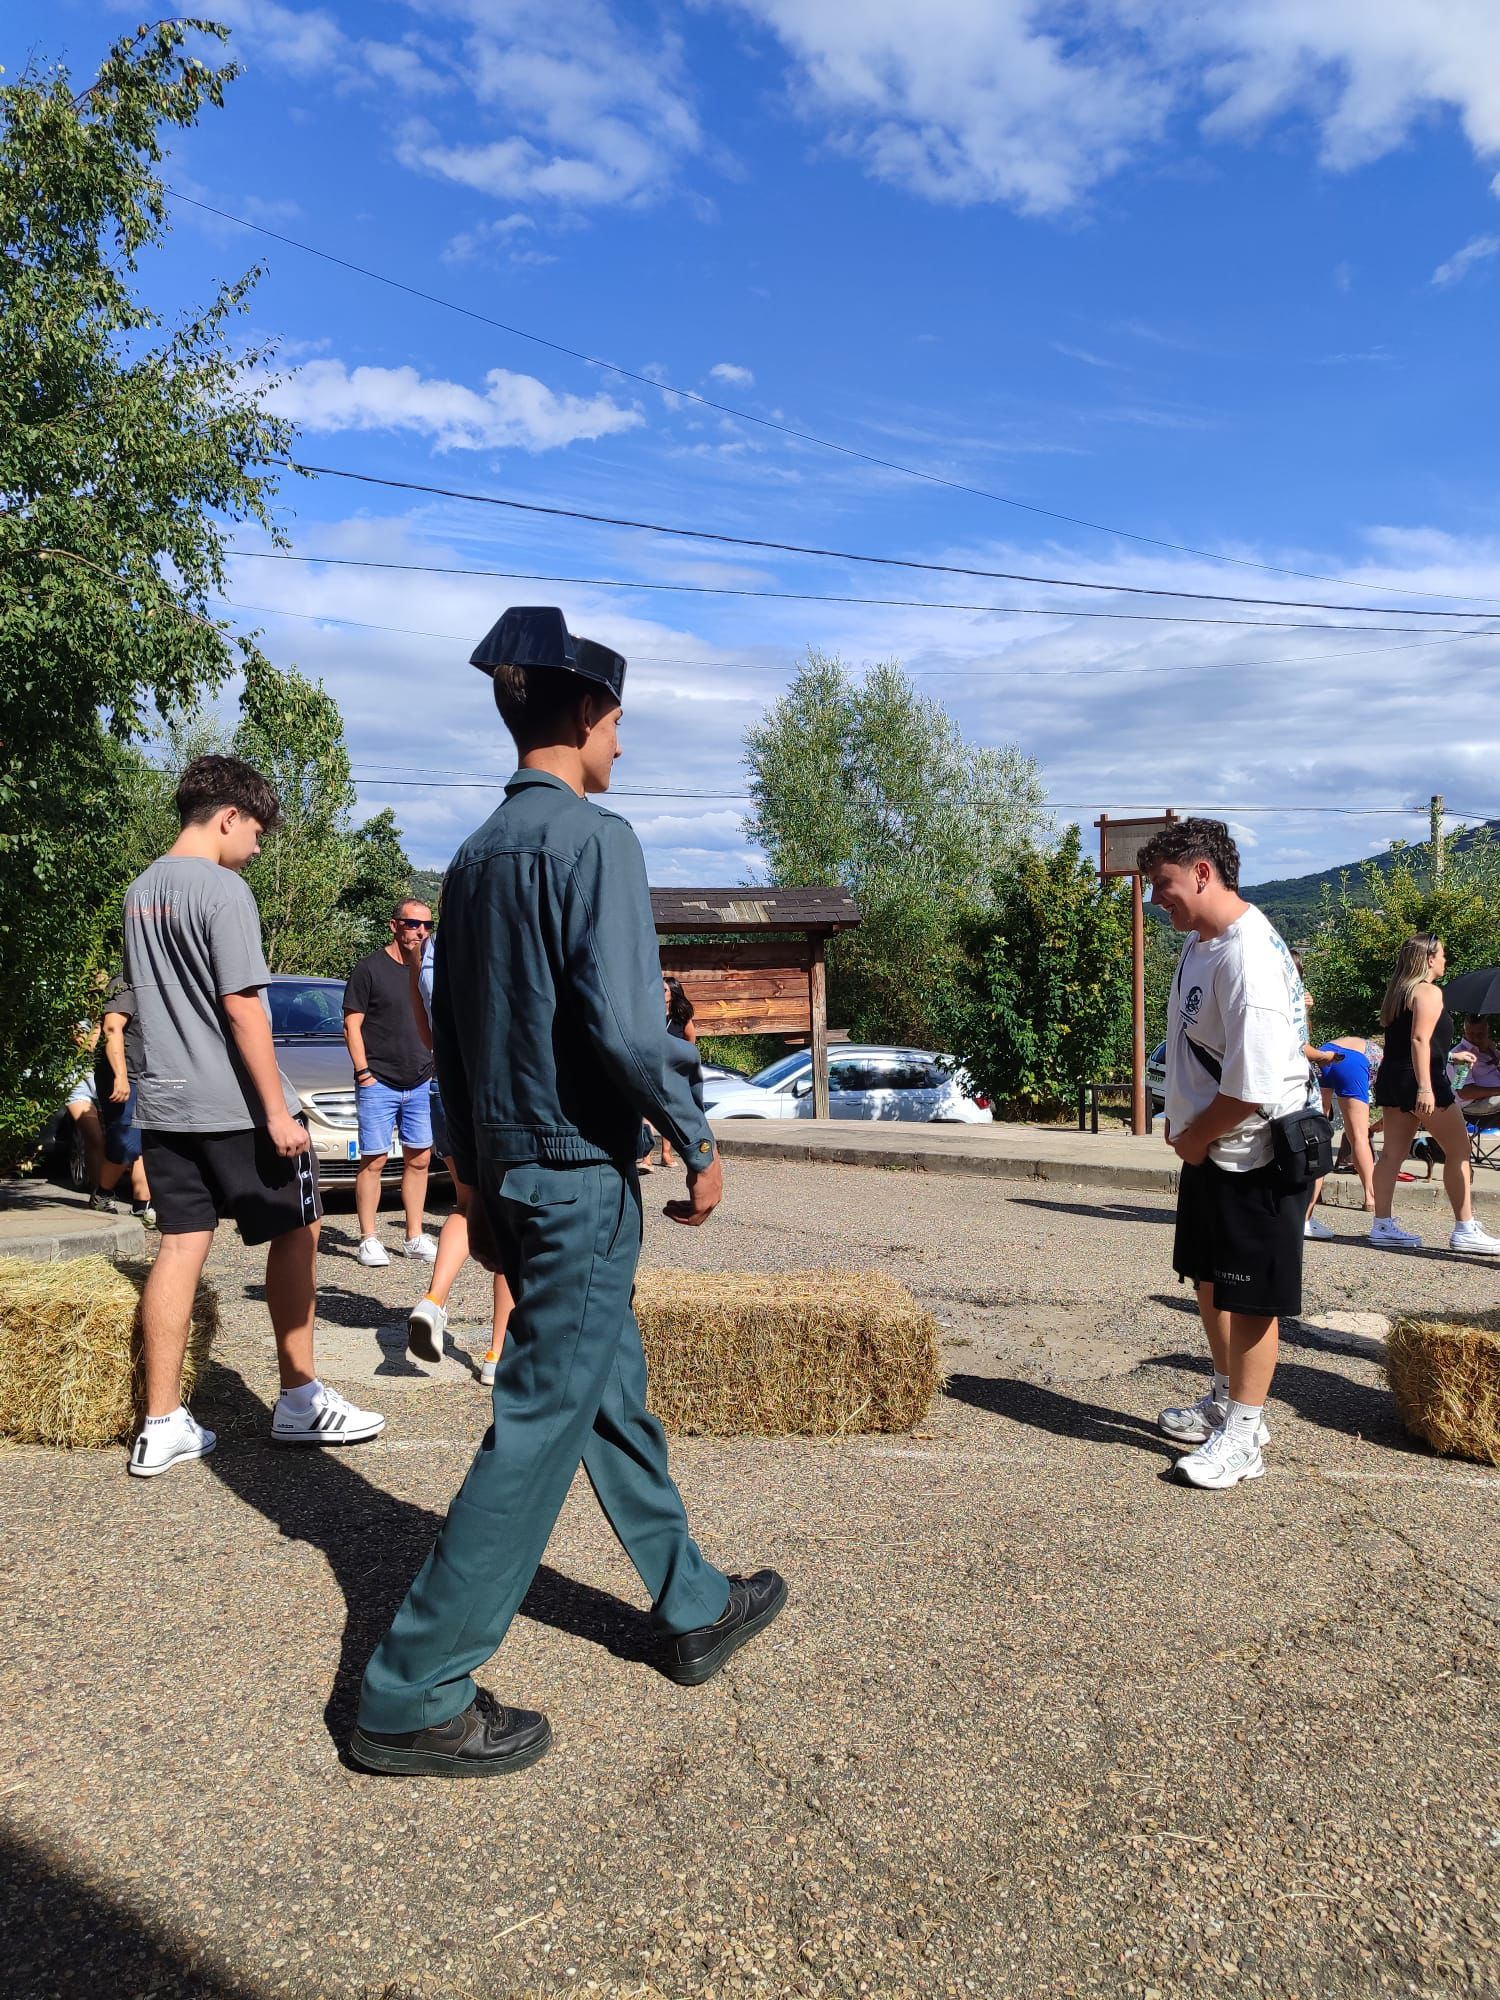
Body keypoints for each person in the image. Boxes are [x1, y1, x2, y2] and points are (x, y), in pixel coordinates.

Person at [349, 606, 785, 1779]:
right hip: (582, 1178)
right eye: (621, 722)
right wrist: (695, 1137)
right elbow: (630, 1027)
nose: (625, 747)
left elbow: (460, 1041)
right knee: (542, 1420)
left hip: (512, 1173)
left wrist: (473, 1180)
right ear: (588, 713)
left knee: (607, 1395)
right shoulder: (599, 840)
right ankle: (410, 1690)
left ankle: (693, 1601)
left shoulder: (473, 857)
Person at [123, 755, 385, 1477]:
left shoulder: (140, 889)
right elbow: (244, 1006)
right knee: (301, 1227)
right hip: (230, 1104)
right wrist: (278, 1113)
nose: (260, 846)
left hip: (166, 1102)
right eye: (258, 830)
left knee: (180, 1246)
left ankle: (162, 1420)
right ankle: (300, 1398)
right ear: (229, 816)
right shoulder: (224, 890)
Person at [1139, 818, 1314, 1491]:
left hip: (1254, 1154)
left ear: (1204, 873)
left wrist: (1193, 1133)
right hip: (1212, 1147)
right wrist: (1182, 1123)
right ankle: (1224, 1399)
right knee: (1211, 1282)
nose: (1159, 899)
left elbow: (1254, 1087)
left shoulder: (1247, 955)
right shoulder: (1203, 944)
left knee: (1251, 1301)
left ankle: (1244, 1436)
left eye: (1165, 884)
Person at [405, 923, 515, 1387]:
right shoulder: (503, 949)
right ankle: (496, 1354)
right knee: (512, 1222)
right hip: (501, 1095)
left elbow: (427, 1035)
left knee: (467, 1205)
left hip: (445, 1088)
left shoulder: (433, 957)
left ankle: (433, 1300)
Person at [1369, 938, 1500, 1255]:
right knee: (1459, 1151)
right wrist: (1426, 1086)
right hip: (1421, 1080)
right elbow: (1418, 1040)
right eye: (1442, 954)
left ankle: (1381, 1224)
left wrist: (1450, 1060)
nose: (1446, 960)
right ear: (1428, 958)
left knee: (1391, 1155)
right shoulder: (1427, 991)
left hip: (1395, 1077)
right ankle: (1465, 1227)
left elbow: (1409, 1044)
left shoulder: (1399, 994)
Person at [343, 900, 439, 1267]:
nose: (421, 932)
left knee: (420, 1159)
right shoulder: (370, 968)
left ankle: (414, 1236)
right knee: (374, 1159)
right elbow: (352, 1024)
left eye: (428, 926)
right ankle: (368, 1238)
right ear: (394, 925)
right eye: (414, 924)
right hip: (379, 1081)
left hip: (420, 1080)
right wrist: (363, 1072)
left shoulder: (429, 970)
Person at [658, 975, 698, 1169]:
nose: (660, 993)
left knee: (669, 1110)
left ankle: (666, 1153)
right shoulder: (650, 1013)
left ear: (673, 993)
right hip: (653, 1065)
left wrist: (684, 1062)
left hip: (673, 1068)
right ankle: (646, 1157)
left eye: (664, 990)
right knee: (647, 1112)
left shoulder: (681, 1017)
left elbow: (691, 1040)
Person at [1452, 1014, 1500, 1119]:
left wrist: (1493, 1054)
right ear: (1464, 1031)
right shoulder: (1461, 1055)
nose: (1476, 1039)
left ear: (1487, 1031)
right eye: (1471, 1034)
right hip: (1474, 1105)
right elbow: (1463, 1092)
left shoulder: (1489, 1050)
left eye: (1481, 1034)